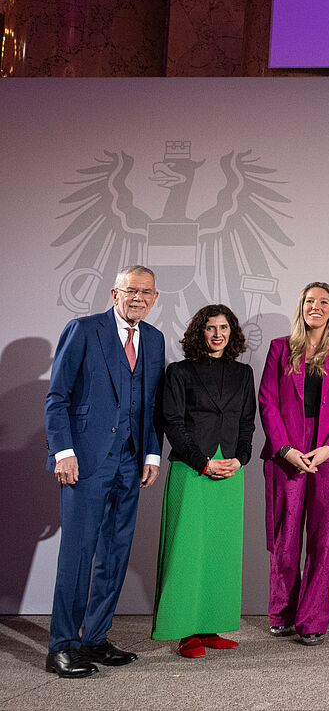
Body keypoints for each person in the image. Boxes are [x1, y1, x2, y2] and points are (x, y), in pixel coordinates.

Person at [43, 266, 165, 678]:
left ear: (155, 297)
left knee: (113, 556)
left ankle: (95, 637)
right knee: (78, 556)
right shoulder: (83, 329)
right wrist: (63, 452)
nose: (138, 298)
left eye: (146, 292)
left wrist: (151, 454)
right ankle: (62, 645)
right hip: (85, 462)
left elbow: (149, 404)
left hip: (130, 464)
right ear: (115, 293)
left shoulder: (154, 338)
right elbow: (57, 397)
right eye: (131, 290)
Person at [259, 281, 329, 646]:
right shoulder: (279, 348)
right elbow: (267, 403)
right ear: (300, 306)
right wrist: (285, 448)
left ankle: (313, 620)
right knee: (286, 537)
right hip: (287, 449)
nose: (315, 306)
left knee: (323, 540)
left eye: (323, 302)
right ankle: (281, 612)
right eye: (309, 301)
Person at [152, 305, 256, 658]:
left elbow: (247, 423)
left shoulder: (243, 374)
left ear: (232, 332)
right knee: (187, 553)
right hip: (192, 468)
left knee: (219, 552)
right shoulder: (179, 372)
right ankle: (184, 632)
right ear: (199, 332)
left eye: (223, 327)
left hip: (229, 469)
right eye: (210, 328)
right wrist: (202, 462)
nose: (217, 334)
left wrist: (240, 459)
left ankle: (210, 626)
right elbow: (172, 422)